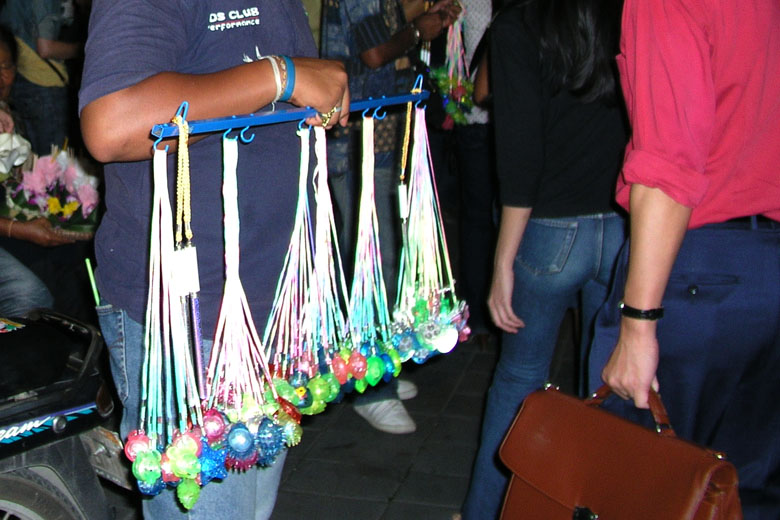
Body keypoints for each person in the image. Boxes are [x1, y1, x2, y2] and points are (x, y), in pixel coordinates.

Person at [78, 1, 348, 518]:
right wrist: (282, 75)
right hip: (190, 318)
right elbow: (113, 123)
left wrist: (314, 89)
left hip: (273, 300)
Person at [587, 1, 780, 518]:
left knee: (639, 489)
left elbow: (667, 165)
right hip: (768, 270)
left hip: (696, 271)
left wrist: (638, 324)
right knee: (747, 493)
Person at [460, 0, 628, 517]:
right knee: (608, 387)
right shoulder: (625, 14)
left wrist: (501, 263)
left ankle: (489, 511)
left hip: (549, 229)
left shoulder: (519, 25)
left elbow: (520, 154)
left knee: (519, 379)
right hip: (624, 221)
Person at [321, 0, 460, 435]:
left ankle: (379, 369)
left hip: (379, 137)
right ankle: (367, 388)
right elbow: (374, 53)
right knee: (368, 263)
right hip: (356, 140)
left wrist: (421, 21)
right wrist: (418, 30)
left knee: (382, 260)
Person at [0, 23, 73, 318]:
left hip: (10, 221)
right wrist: (20, 229)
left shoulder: (12, 117)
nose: (1, 78)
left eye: (6, 66)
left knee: (71, 253)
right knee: (30, 291)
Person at [0, 0, 81, 155]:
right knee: (53, 158)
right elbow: (45, 48)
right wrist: (85, 49)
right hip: (43, 84)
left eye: (6, 66)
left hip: (27, 81)